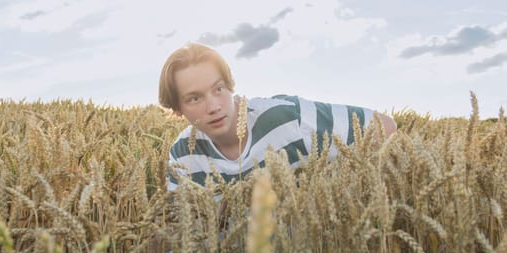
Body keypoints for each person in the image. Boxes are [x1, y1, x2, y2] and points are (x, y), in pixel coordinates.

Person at [158, 43, 397, 190]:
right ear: (178, 110)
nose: (213, 106)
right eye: (194, 99)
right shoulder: (183, 154)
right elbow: (181, 231)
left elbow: (384, 126)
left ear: (231, 86)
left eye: (218, 89)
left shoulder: (287, 118)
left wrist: (338, 184)